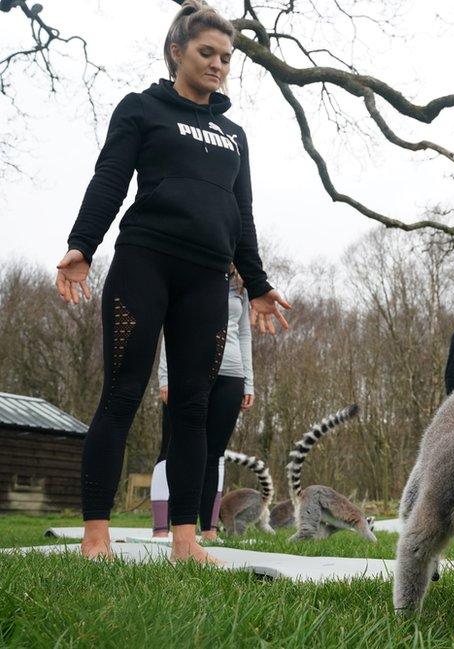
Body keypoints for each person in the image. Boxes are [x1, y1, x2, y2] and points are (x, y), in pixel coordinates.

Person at [54, 0, 290, 563]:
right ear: (176, 51)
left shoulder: (234, 135)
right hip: (145, 264)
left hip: (208, 280)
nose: (217, 65)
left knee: (193, 410)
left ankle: (186, 539)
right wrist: (82, 246)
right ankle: (95, 535)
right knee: (122, 396)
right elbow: (110, 178)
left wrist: (255, 283)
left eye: (226, 58)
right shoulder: (141, 109)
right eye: (207, 53)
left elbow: (242, 213)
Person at [151, 267, 254, 541]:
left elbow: (244, 334)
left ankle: (209, 530)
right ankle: (162, 528)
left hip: (231, 373)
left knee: (214, 453)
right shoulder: (191, 271)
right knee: (173, 448)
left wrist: (249, 381)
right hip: (189, 369)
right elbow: (170, 325)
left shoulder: (241, 288)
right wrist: (165, 377)